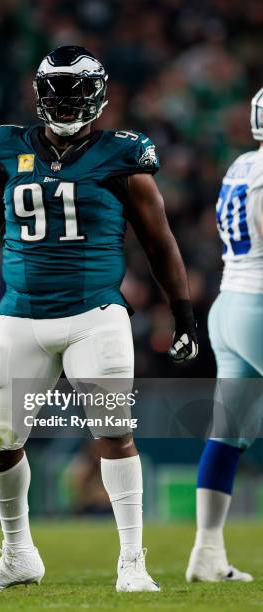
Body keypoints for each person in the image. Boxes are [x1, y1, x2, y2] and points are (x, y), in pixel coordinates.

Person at [0, 46, 198, 593]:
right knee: (0, 438)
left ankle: (132, 562)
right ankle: (17, 555)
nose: (67, 103)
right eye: (58, 92)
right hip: (19, 316)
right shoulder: (6, 146)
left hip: (94, 315)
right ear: (40, 94)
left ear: (98, 97)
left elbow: (158, 239)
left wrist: (183, 313)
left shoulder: (123, 154)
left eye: (77, 93)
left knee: (113, 433)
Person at [186, 88, 263, 583]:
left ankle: (206, 554)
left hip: (229, 303)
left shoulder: (242, 164)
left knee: (229, 435)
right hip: (257, 304)